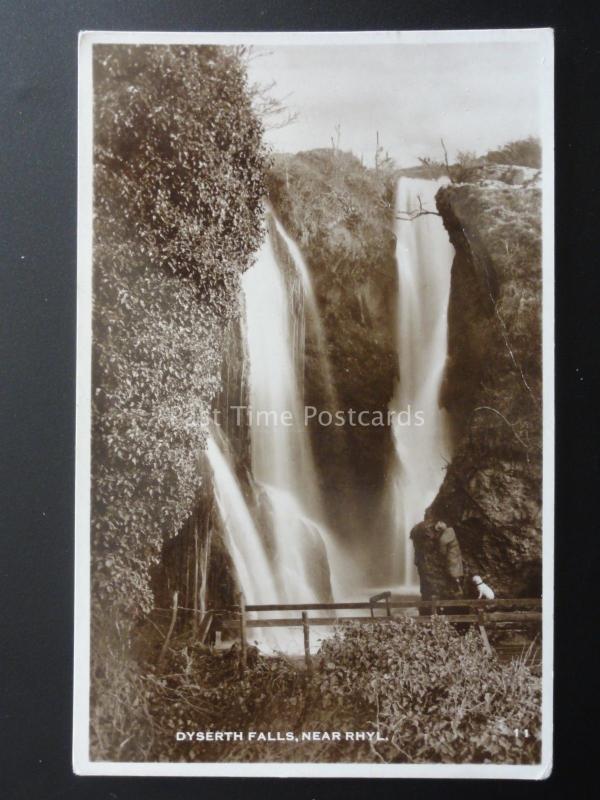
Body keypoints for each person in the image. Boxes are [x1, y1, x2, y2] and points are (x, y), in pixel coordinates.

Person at [435, 520, 464, 596]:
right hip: (456, 554)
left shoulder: (446, 535)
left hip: (452, 555)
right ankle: (457, 589)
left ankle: (458, 589)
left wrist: (442, 554)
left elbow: (442, 548)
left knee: (452, 573)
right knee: (455, 572)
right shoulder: (451, 530)